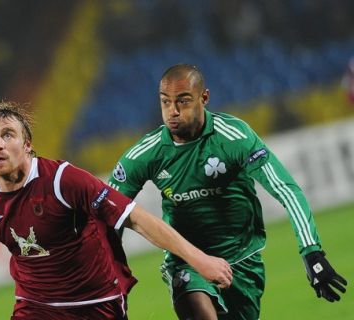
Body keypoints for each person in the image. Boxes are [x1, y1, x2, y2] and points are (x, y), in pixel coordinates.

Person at [0, 102, 233, 320]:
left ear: (28, 144)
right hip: (35, 306)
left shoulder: (63, 180)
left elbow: (137, 219)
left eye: (8, 134)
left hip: (97, 301)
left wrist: (200, 260)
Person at [108, 64, 348, 320]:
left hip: (243, 261)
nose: (173, 111)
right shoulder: (145, 154)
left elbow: (286, 189)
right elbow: (107, 214)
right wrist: (107, 278)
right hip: (187, 260)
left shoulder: (234, 137)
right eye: (165, 102)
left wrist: (311, 251)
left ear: (204, 98)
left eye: (183, 101)